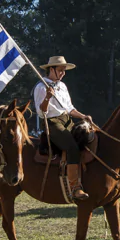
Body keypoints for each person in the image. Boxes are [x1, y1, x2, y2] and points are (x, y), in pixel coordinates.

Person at [33, 56, 93, 201]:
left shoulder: (63, 86)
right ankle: (75, 188)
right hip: (52, 122)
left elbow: (70, 108)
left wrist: (83, 116)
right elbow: (41, 112)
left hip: (66, 119)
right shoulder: (41, 87)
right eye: (60, 70)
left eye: (64, 70)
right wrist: (47, 97)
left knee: (88, 137)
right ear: (51, 69)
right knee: (72, 147)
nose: (63, 73)